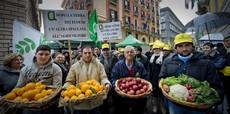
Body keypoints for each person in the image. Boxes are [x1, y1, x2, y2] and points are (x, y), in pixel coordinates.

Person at [159, 33, 224, 114]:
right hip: (175, 105)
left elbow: (216, 85)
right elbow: (162, 78)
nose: (184, 49)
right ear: (175, 48)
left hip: (198, 107)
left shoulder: (206, 63)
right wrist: (163, 84)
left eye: (187, 45)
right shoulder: (168, 62)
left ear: (192, 46)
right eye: (180, 46)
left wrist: (213, 101)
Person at [63, 45, 111, 114]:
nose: (87, 55)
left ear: (92, 53)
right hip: (80, 102)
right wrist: (65, 88)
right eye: (85, 53)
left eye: (89, 53)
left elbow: (103, 77)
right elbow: (69, 81)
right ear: (81, 54)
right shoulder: (75, 66)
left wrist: (106, 83)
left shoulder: (99, 65)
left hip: (95, 100)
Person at [16, 45, 62, 114]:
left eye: (46, 54)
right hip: (29, 106)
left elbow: (57, 88)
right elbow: (19, 87)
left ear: (50, 55)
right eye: (41, 54)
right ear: (35, 54)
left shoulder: (55, 68)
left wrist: (46, 98)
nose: (43, 57)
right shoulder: (25, 69)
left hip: (49, 106)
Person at [111, 46, 148, 114]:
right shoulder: (118, 65)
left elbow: (145, 78)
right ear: (124, 54)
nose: (129, 54)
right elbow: (113, 78)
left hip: (137, 97)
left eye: (131, 52)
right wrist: (115, 86)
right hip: (122, 96)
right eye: (127, 52)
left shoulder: (140, 65)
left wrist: (145, 89)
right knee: (122, 111)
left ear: (134, 53)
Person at [99, 43, 118, 114]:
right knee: (104, 97)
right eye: (104, 50)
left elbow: (117, 68)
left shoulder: (114, 58)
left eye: (107, 50)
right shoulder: (99, 59)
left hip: (112, 79)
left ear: (109, 50)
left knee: (114, 96)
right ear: (102, 51)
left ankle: (115, 109)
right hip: (103, 80)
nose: (106, 52)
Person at [221, 33, 230, 113]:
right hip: (225, 76)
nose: (228, 42)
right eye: (226, 41)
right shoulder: (222, 51)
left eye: (229, 41)